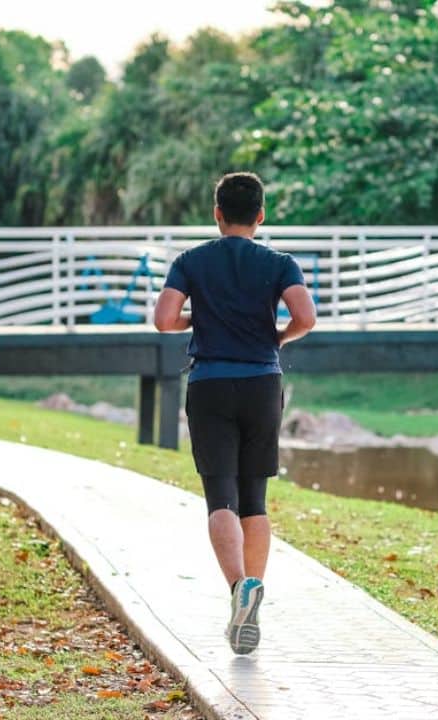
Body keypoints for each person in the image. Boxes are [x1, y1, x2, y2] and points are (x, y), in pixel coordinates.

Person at [153, 172, 316, 654]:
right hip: (262, 384)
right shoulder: (279, 263)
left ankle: (238, 588)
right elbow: (306, 317)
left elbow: (163, 320)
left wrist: (197, 318)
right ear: (260, 216)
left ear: (217, 214)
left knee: (220, 496)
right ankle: (252, 594)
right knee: (255, 500)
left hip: (210, 385)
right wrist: (278, 337)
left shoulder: (191, 261)